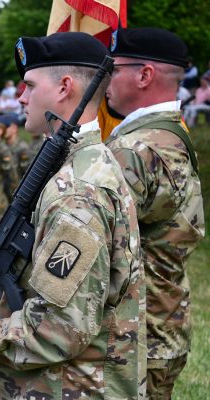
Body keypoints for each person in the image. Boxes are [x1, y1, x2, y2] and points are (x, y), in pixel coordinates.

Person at [0, 32, 144, 399]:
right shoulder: (74, 165)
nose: (20, 96)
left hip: (72, 385)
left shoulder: (78, 190)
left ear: (64, 87)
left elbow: (58, 328)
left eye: (29, 85)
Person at [105, 27, 206, 399]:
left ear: (144, 75)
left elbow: (102, 238)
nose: (105, 80)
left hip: (137, 332)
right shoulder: (163, 135)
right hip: (158, 321)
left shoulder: (141, 147)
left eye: (112, 69)